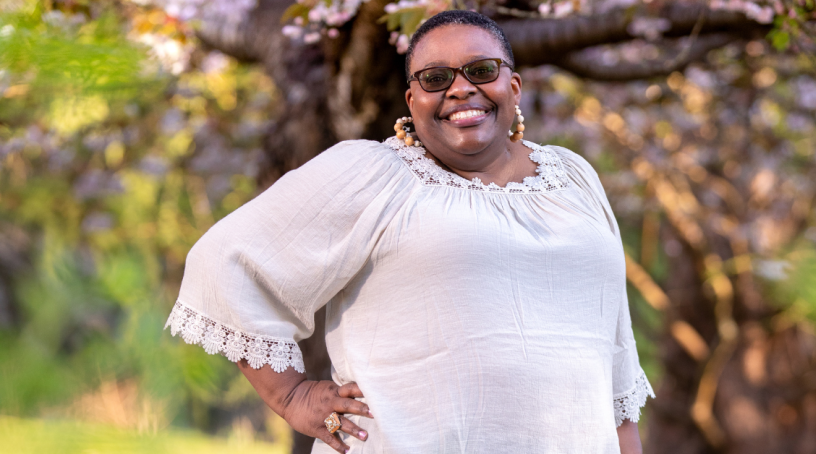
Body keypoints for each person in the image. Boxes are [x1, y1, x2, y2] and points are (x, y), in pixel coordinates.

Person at [165, 10, 653, 454]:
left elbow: (612, 359)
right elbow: (224, 261)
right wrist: (292, 395)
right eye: (436, 78)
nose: (460, 89)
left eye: (481, 70)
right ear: (412, 99)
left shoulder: (573, 177)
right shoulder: (372, 175)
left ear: (515, 86)